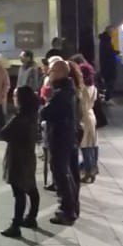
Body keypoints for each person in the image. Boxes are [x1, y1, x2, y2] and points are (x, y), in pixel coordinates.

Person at [41, 58, 81, 225]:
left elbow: (45, 112)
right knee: (69, 172)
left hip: (60, 137)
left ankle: (67, 210)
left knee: (61, 174)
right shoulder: (67, 89)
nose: (48, 74)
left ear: (59, 73)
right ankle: (72, 207)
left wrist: (44, 106)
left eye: (50, 71)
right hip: (68, 135)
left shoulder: (61, 93)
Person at [0, 86, 40, 237]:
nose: (14, 99)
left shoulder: (19, 118)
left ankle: (16, 225)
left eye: (16, 96)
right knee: (31, 187)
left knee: (19, 192)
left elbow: (4, 133)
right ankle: (31, 217)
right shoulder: (33, 115)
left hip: (17, 158)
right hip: (29, 156)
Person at [72, 59, 99, 184]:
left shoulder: (82, 89)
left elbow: (80, 107)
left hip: (84, 118)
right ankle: (92, 169)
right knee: (91, 145)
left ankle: (89, 172)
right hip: (91, 115)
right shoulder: (93, 87)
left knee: (85, 147)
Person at [97, 25, 118, 102]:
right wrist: (116, 52)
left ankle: (107, 97)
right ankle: (107, 98)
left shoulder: (104, 40)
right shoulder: (107, 40)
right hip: (109, 65)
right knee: (110, 81)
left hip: (105, 65)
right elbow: (108, 52)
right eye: (112, 31)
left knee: (108, 81)